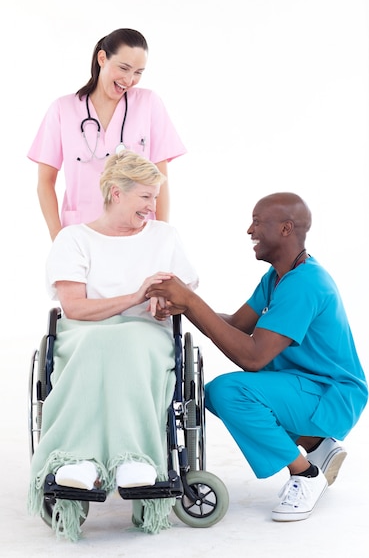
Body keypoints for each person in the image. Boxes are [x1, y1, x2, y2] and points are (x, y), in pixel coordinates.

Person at [146, 192, 368, 522]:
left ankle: (305, 475)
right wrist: (185, 307)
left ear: (286, 229)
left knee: (230, 392)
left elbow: (253, 358)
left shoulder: (305, 284)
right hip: (305, 386)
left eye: (258, 222)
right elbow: (237, 325)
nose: (250, 230)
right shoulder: (277, 278)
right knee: (227, 395)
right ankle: (317, 444)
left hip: (329, 394)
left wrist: (191, 301)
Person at [28, 150, 198, 541]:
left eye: (155, 197)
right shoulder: (74, 239)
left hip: (146, 337)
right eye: (145, 197)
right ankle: (79, 459)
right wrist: (136, 295)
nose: (153, 207)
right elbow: (75, 307)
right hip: (84, 332)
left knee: (130, 343)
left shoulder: (164, 237)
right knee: (101, 344)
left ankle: (133, 459)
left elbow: (185, 292)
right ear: (116, 193)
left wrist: (165, 301)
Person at [27, 28, 186, 240]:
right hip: (80, 234)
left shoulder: (149, 104)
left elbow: (161, 179)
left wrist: (161, 236)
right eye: (124, 68)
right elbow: (45, 182)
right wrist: (58, 239)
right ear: (102, 58)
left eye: (138, 72)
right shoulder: (62, 110)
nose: (129, 80)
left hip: (138, 235)